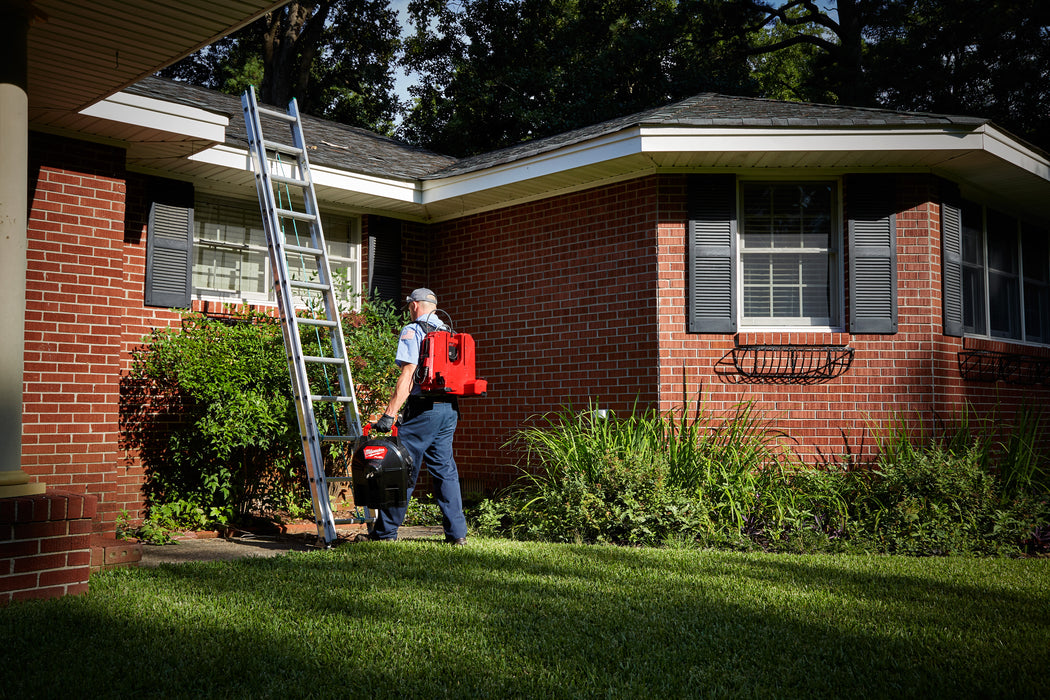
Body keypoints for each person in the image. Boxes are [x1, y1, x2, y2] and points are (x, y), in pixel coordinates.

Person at [368, 288, 468, 544]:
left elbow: (409, 374)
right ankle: (457, 535)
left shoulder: (413, 330)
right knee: (445, 470)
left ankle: (384, 533)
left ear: (414, 305)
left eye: (409, 306)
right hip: (449, 410)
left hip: (423, 412)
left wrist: (389, 414)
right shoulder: (448, 331)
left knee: (401, 468)